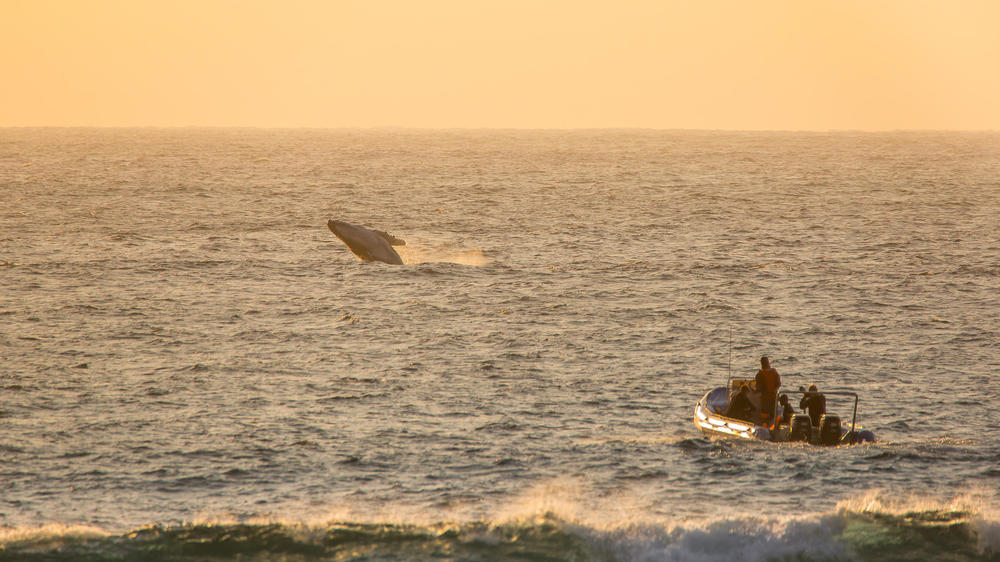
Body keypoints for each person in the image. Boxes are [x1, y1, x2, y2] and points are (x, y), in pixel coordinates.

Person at [754, 356, 781, 428]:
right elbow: (778, 384)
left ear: (762, 364)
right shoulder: (775, 373)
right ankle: (774, 428)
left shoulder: (760, 374)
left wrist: (756, 390)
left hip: (765, 398)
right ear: (768, 363)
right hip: (774, 398)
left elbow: (758, 387)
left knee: (765, 416)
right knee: (773, 415)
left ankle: (764, 429)